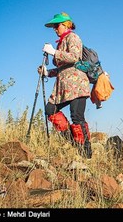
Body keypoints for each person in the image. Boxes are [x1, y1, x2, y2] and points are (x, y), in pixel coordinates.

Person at [38, 12, 92, 159]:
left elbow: (74, 58)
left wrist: (54, 52)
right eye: (54, 26)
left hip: (77, 85)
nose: (55, 29)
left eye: (57, 25)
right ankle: (72, 140)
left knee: (77, 117)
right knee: (50, 110)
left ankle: (86, 153)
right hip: (63, 88)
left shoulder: (73, 37)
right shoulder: (61, 42)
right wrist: (47, 73)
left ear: (65, 24)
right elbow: (64, 68)